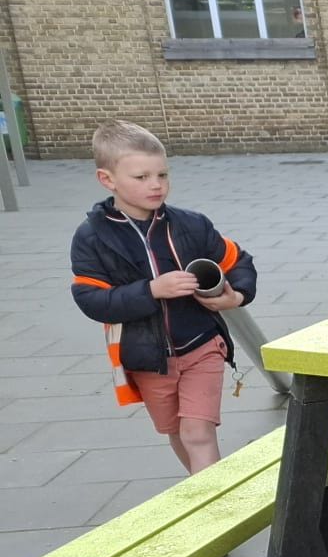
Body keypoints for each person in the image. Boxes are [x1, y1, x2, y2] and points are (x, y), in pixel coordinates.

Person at [69, 120, 258, 474]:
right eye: (141, 177)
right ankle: (205, 490)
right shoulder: (92, 237)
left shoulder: (191, 224)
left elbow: (237, 261)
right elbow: (91, 300)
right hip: (147, 357)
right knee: (177, 431)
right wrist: (152, 290)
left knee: (197, 432)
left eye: (162, 174)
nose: (156, 185)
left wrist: (238, 294)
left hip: (203, 344)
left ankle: (217, 509)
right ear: (107, 180)